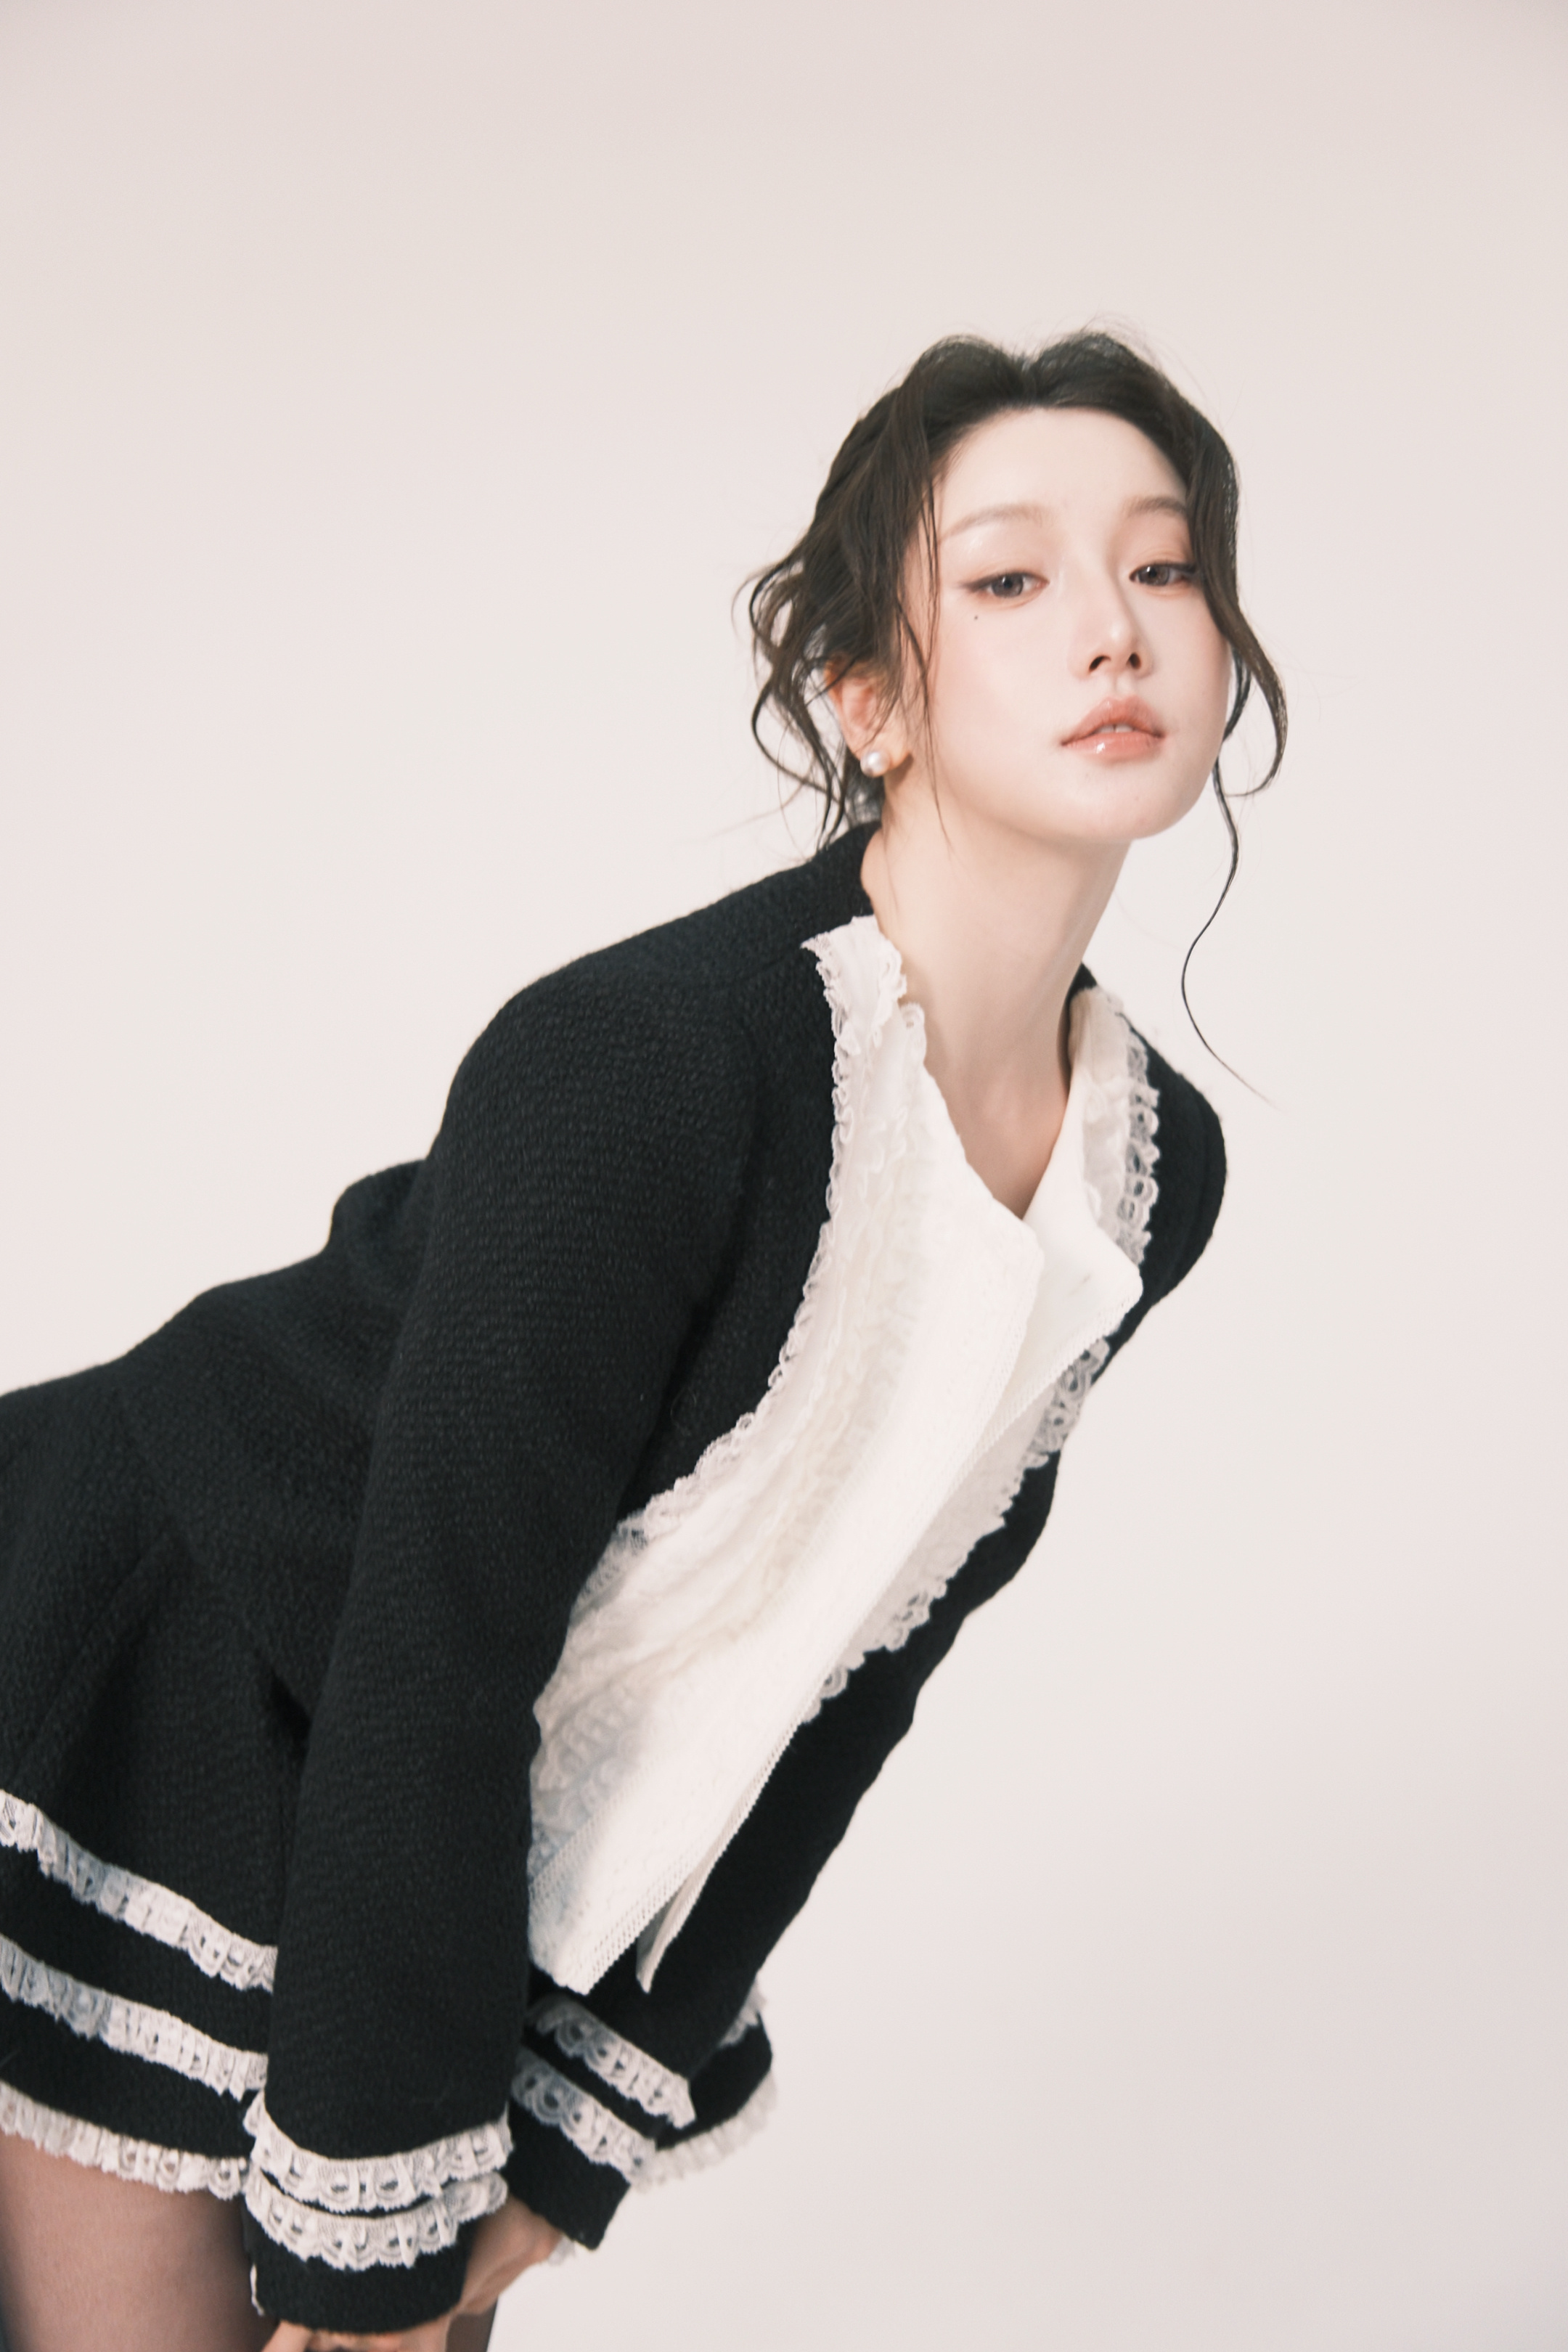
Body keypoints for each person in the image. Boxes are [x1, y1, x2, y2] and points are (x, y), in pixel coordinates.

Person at [0, 330, 1284, 2351]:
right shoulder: (644, 1064)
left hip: (432, 1810)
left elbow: (856, 1668)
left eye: (1165, 565)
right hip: (144, 1667)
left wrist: (571, 2142)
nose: (1113, 628)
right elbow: (438, 1641)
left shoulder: (1143, 1169)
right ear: (866, 696)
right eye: (1011, 578)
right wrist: (375, 2233)